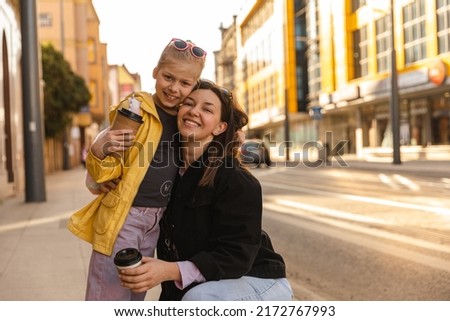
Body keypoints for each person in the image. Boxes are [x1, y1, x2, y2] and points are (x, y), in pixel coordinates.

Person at [119, 79, 293, 301]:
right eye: (189, 103)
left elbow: (237, 257)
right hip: (209, 283)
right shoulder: (169, 173)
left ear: (220, 127)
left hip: (258, 281)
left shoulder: (235, 179)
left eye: (207, 109)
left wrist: (169, 271)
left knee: (198, 300)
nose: (194, 112)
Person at [67, 38, 207, 301]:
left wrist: (237, 132)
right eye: (168, 77)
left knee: (136, 293)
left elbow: (219, 108)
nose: (175, 88)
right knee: (108, 294)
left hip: (156, 223)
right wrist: (100, 150)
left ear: (194, 86)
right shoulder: (136, 109)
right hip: (125, 218)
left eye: (185, 83)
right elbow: (109, 164)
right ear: (155, 72)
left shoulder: (185, 115)